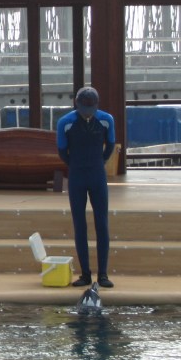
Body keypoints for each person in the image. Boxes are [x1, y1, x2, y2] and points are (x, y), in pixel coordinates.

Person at [56, 86, 117, 288]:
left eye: (91, 108)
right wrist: (75, 164)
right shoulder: (66, 122)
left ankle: (103, 274)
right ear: (77, 104)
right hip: (77, 177)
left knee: (102, 224)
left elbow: (110, 146)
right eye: (84, 108)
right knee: (80, 225)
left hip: (97, 175)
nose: (87, 112)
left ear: (97, 106)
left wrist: (99, 161)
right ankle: (85, 274)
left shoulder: (106, 120)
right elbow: (62, 151)